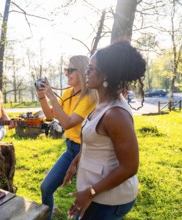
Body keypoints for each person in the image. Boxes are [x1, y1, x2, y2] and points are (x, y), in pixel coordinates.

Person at [66, 41, 146, 220]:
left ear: (106, 75)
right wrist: (76, 162)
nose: (86, 72)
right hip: (96, 193)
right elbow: (96, 141)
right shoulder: (102, 103)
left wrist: (91, 192)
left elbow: (130, 166)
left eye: (91, 68)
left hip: (108, 199)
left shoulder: (115, 113)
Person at [36, 55, 98, 220]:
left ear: (83, 71)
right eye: (66, 70)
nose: (67, 74)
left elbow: (68, 123)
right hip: (71, 149)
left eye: (71, 70)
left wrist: (51, 95)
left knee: (83, 201)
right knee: (46, 187)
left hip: (85, 153)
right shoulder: (69, 93)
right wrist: (42, 96)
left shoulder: (90, 97)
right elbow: (50, 114)